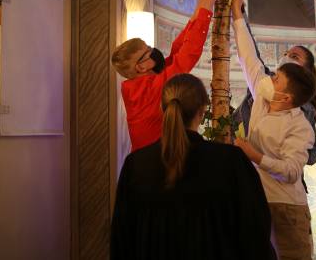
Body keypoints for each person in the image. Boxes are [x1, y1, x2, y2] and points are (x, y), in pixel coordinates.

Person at [110, 73, 276, 260]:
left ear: (162, 109)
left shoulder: (136, 164)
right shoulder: (230, 161)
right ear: (202, 110)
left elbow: (121, 238)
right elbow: (255, 229)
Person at [231, 0, 316, 260]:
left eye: (277, 78)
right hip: (256, 200)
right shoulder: (262, 97)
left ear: (286, 97)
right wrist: (237, 14)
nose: (270, 78)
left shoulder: (301, 126)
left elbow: (292, 171)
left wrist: (253, 154)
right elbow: (248, 57)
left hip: (287, 207)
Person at [112, 0, 224, 151]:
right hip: (153, 164)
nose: (153, 51)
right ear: (141, 67)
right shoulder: (145, 91)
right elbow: (186, 56)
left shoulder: (143, 85)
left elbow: (175, 53)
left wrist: (197, 12)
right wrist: (208, 4)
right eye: (148, 51)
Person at [231, 0, 316, 170]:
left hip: (283, 193)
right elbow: (250, 55)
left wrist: (257, 154)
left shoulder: (301, 115)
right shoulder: (266, 86)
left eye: (295, 56)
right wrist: (238, 11)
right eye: (286, 54)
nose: (287, 58)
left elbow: (301, 161)